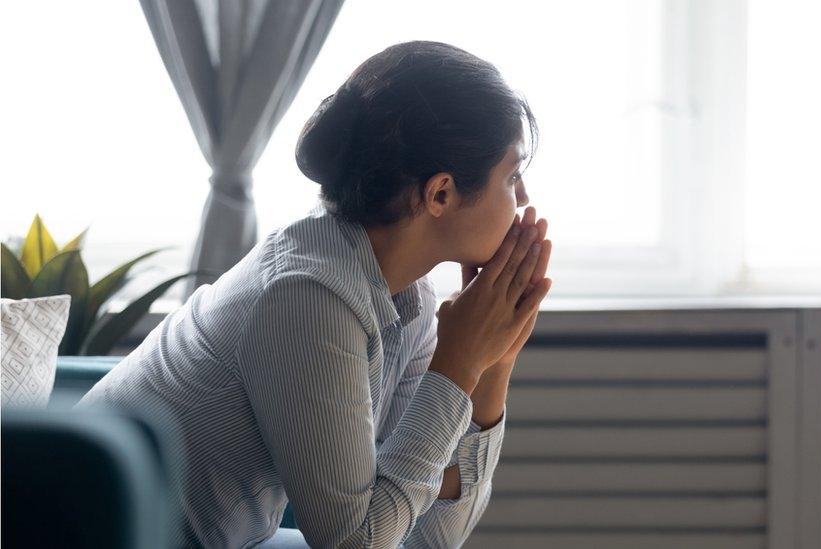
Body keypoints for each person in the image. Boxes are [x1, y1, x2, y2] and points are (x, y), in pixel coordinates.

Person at [76, 40, 552, 548]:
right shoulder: (306, 298)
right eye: (513, 175)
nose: (523, 199)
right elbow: (353, 543)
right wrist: (458, 364)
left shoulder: (409, 298)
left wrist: (491, 367)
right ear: (440, 193)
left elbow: (425, 539)